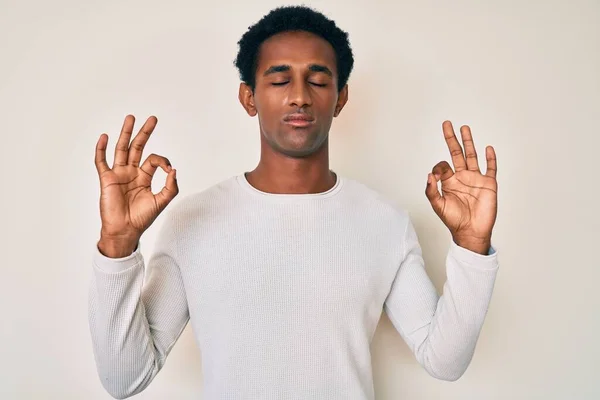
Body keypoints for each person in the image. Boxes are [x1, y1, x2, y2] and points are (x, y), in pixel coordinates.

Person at [89, 5, 499, 400]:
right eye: (280, 80)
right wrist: (117, 245)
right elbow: (126, 377)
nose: (300, 96)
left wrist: (473, 248)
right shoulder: (193, 221)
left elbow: (444, 361)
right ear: (249, 98)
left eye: (318, 81)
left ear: (340, 98)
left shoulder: (384, 222)